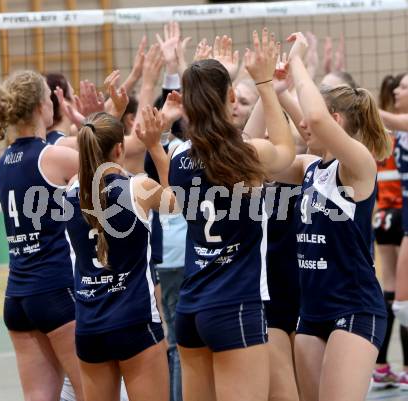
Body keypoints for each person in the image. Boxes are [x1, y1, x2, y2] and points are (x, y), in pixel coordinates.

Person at [168, 28, 295, 401]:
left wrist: (213, 78)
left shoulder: (178, 160)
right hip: (235, 305)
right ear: (228, 98)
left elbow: (230, 145)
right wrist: (264, 83)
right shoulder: (245, 155)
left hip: (191, 310)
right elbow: (284, 148)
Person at [274, 32, 391, 401]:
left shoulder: (358, 165)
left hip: (354, 308)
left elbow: (314, 120)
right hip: (312, 313)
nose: (303, 126)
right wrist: (274, 90)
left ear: (335, 118)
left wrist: (298, 59)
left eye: (314, 120)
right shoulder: (310, 167)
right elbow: (277, 158)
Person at [65, 109, 173, 401]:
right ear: (119, 149)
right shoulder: (138, 188)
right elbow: (176, 203)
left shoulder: (68, 195)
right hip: (134, 323)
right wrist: (154, 145)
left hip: (89, 328)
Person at [0, 70, 84, 401]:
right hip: (55, 291)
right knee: (95, 392)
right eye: (48, 98)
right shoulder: (52, 156)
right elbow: (111, 165)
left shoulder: (3, 162)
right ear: (41, 107)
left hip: (17, 296)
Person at [371, 74, 408, 390]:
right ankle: (394, 365)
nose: (398, 91)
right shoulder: (391, 131)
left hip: (387, 213)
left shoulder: (392, 128)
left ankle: (384, 365)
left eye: (404, 87)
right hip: (397, 214)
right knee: (400, 298)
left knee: (395, 292)